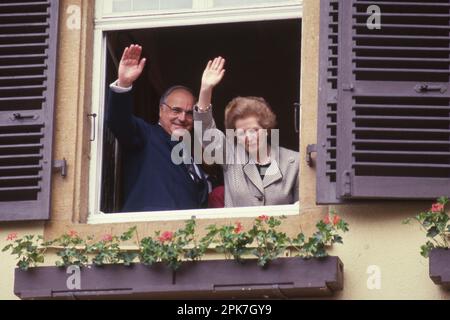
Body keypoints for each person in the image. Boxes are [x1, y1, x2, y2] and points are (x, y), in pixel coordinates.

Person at [106, 44, 209, 212]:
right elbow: (119, 121)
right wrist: (123, 84)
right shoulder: (146, 136)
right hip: (149, 232)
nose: (182, 118)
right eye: (176, 110)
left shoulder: (190, 156)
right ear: (161, 110)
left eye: (189, 113)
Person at [193, 57, 299, 207]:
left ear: (267, 129)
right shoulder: (230, 156)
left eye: (255, 130)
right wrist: (205, 90)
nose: (249, 137)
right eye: (241, 132)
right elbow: (205, 132)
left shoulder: (293, 161)